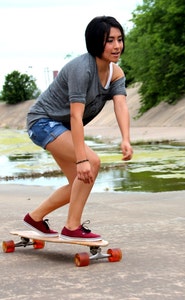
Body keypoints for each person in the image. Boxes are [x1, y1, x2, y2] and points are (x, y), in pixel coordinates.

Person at [23, 16, 133, 241]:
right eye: (109, 40)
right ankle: (72, 226)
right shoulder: (82, 69)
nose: (116, 46)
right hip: (42, 122)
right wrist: (82, 159)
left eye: (119, 39)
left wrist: (126, 139)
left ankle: (35, 217)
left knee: (79, 182)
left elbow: (120, 106)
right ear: (95, 42)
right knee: (91, 164)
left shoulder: (116, 73)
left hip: (61, 126)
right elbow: (76, 115)